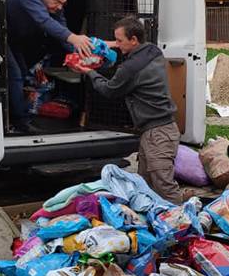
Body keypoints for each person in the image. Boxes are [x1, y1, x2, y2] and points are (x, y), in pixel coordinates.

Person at [72, 16, 183, 204]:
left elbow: (109, 89)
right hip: (157, 130)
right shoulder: (153, 51)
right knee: (145, 183)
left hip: (158, 134)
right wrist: (111, 46)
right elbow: (129, 54)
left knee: (164, 186)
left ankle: (183, 223)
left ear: (133, 40)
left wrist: (89, 71)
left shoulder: (130, 68)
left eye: (120, 41)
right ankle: (158, 220)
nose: (118, 44)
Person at [5, 0, 92, 132]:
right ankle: (21, 122)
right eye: (57, 2)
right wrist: (74, 38)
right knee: (15, 76)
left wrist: (76, 53)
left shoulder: (55, 6)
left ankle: (23, 112)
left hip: (15, 40)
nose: (59, 7)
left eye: (63, 4)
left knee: (24, 73)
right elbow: (45, 22)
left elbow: (61, 29)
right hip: (0, 37)